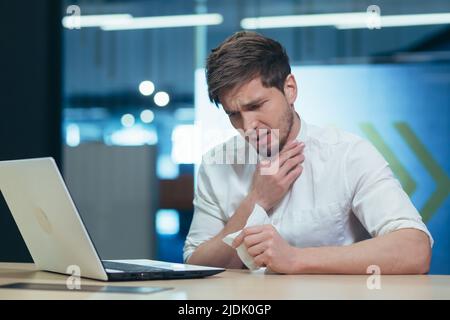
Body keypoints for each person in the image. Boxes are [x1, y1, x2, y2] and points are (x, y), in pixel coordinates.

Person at [183, 31, 433, 274]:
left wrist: (295, 259)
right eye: (234, 114)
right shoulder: (217, 164)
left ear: (290, 89)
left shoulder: (347, 155)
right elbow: (196, 265)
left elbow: (415, 250)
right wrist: (255, 201)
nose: (248, 126)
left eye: (257, 105)